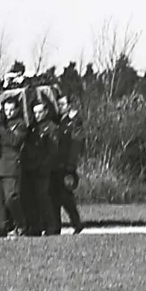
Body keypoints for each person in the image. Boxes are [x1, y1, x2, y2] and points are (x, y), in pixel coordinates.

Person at [0, 95, 27, 237]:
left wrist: (2, 127)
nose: (9, 112)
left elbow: (14, 140)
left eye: (11, 110)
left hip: (10, 166)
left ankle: (21, 223)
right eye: (6, 110)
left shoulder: (20, 124)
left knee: (11, 198)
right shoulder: (0, 125)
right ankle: (0, 228)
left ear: (17, 110)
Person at [25, 98, 62, 235]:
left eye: (40, 112)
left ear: (46, 111)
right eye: (35, 112)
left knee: (44, 197)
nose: (38, 115)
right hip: (33, 168)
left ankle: (51, 226)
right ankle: (37, 226)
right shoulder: (33, 128)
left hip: (46, 169)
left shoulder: (52, 128)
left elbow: (53, 151)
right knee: (34, 198)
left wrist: (44, 167)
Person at [53, 95, 84, 234]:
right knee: (55, 197)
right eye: (58, 104)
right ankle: (55, 227)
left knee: (66, 197)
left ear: (69, 105)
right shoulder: (58, 121)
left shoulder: (73, 122)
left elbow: (76, 144)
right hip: (55, 164)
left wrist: (71, 166)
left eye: (63, 104)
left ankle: (76, 223)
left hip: (66, 165)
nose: (60, 107)